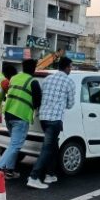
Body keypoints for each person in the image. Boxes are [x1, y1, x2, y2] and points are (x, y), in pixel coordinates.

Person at [23, 57, 76, 189]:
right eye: (71, 67)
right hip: (55, 119)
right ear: (67, 67)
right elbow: (70, 104)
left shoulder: (47, 79)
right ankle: (33, 177)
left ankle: (50, 174)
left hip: (43, 118)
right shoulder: (69, 81)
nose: (71, 69)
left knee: (53, 146)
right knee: (47, 148)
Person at [0, 59, 42, 187]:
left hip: (8, 113)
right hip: (20, 115)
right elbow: (38, 102)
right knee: (15, 145)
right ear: (34, 69)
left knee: (13, 144)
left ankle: (9, 171)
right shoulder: (33, 82)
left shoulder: (14, 78)